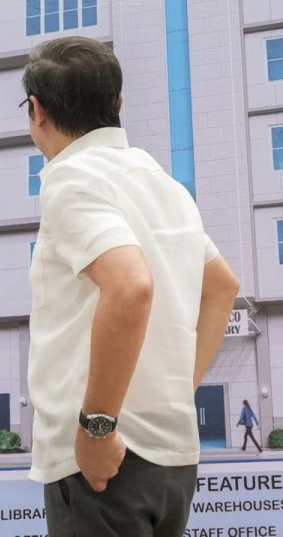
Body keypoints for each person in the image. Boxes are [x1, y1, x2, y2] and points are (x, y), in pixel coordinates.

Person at [23, 37, 240, 537]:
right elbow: (222, 287)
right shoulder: (163, 185)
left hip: (105, 466)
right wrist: (175, 391)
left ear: (37, 111)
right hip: (172, 462)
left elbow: (129, 287)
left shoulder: (71, 178)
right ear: (118, 105)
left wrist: (97, 428)